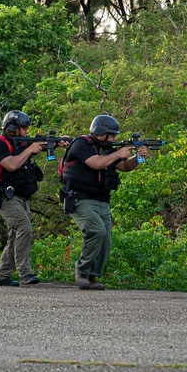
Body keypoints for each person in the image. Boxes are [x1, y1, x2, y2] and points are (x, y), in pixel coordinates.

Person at [60, 114, 148, 289]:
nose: (114, 138)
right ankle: (82, 272)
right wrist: (118, 153)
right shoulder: (81, 144)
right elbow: (97, 164)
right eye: (112, 135)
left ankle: (92, 276)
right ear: (101, 132)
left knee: (106, 239)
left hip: (102, 199)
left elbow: (125, 167)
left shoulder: (107, 148)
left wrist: (139, 157)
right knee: (96, 231)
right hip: (80, 197)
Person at [0, 111, 66, 287]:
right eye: (23, 128)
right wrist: (30, 149)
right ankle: (25, 272)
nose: (26, 131)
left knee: (16, 235)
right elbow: (11, 164)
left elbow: (38, 145)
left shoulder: (22, 142)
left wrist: (58, 143)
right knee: (24, 227)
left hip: (22, 196)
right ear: (12, 128)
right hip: (6, 196)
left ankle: (1, 274)